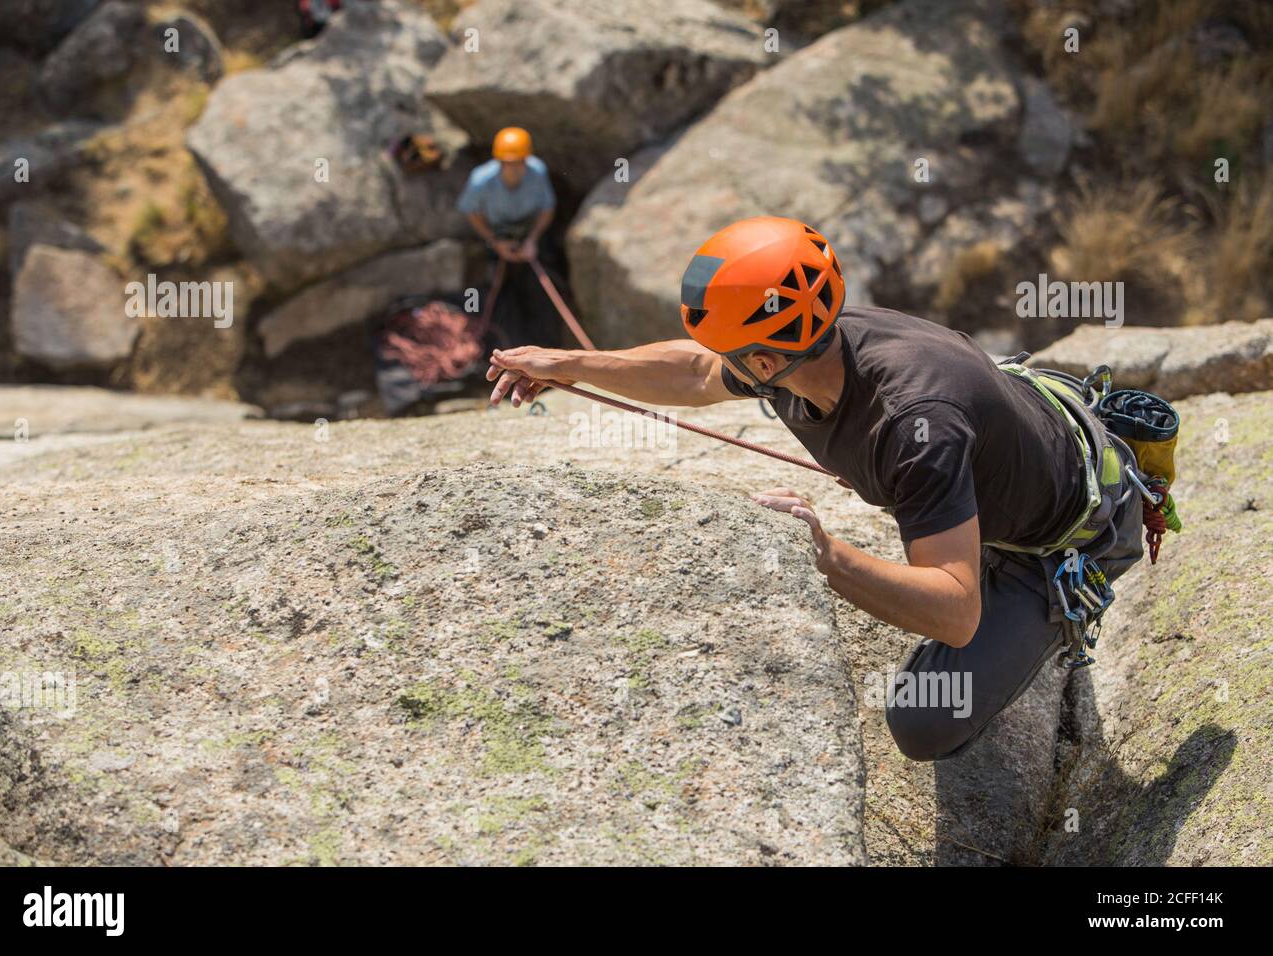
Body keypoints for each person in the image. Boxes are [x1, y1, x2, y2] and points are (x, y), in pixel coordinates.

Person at [485, 216, 1147, 762]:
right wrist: (569, 364)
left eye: (733, 351)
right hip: (1006, 475)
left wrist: (825, 555)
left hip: (1057, 539)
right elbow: (693, 374)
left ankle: (1055, 619)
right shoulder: (806, 347)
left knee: (923, 722)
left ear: (766, 361)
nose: (723, 362)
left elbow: (954, 611)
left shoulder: (914, 422)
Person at [457, 127, 561, 347]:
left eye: (518, 162)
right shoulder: (481, 180)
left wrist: (533, 239)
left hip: (529, 232)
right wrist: (495, 242)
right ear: (499, 161)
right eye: (508, 163)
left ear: (526, 159)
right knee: (498, 286)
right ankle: (506, 339)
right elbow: (471, 212)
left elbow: (547, 209)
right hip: (499, 233)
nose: (513, 169)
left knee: (543, 282)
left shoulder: (537, 173)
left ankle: (547, 339)